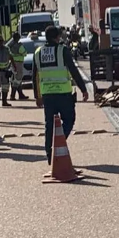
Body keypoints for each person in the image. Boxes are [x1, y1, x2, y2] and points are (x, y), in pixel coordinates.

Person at [32, 26, 88, 165]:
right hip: (63, 93)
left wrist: (37, 96)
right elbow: (73, 71)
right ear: (56, 37)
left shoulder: (38, 52)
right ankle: (59, 142)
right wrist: (83, 89)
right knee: (69, 120)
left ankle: (49, 153)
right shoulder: (62, 50)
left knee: (49, 124)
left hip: (47, 94)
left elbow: (35, 76)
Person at [0, 35, 15, 107]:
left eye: (1, 41)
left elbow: (11, 57)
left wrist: (14, 66)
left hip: (5, 71)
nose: (0, 42)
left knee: (5, 87)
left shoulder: (7, 49)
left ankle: (4, 101)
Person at [8, 33, 28, 101]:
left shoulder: (10, 45)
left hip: (12, 63)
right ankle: (12, 95)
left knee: (16, 78)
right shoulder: (19, 45)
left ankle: (21, 94)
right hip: (18, 63)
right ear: (18, 38)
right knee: (18, 79)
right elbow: (24, 53)